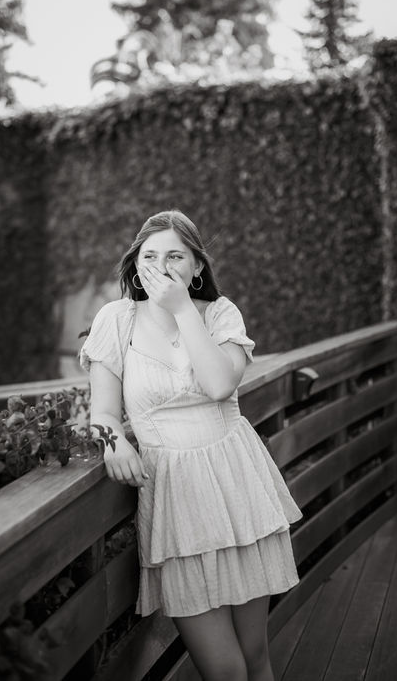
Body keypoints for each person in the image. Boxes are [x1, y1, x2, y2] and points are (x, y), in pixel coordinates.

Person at [80, 210, 302, 681]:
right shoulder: (116, 320)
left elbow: (220, 385)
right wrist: (113, 442)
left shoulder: (219, 314)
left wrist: (183, 309)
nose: (161, 267)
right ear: (136, 263)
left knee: (254, 656)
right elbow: (102, 414)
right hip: (175, 499)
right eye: (150, 256)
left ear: (197, 266)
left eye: (175, 256)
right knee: (223, 670)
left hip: (237, 487)